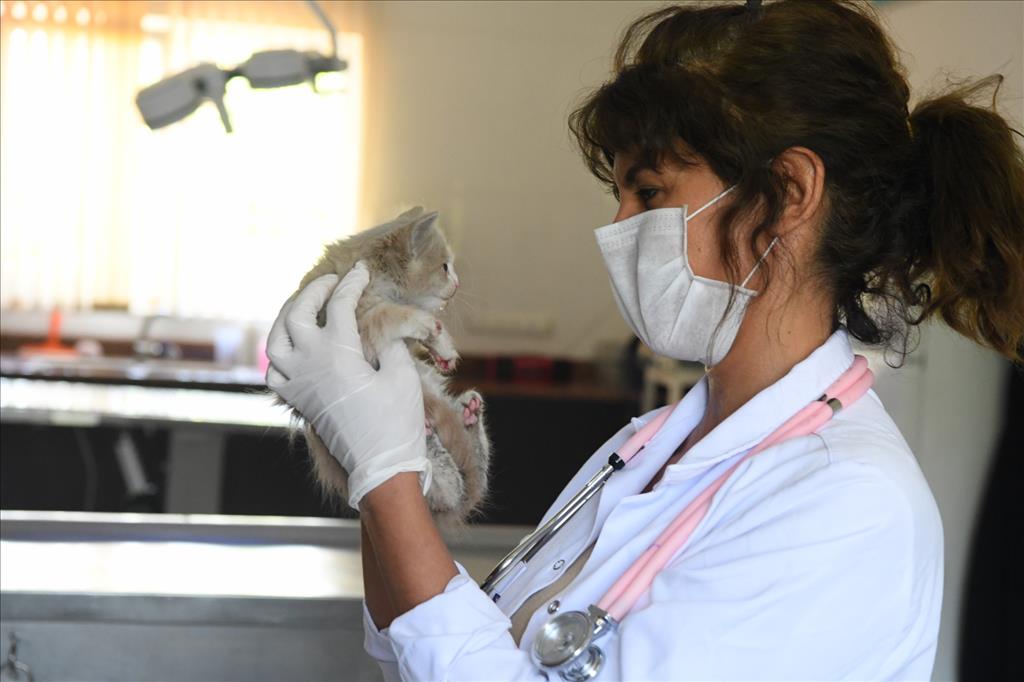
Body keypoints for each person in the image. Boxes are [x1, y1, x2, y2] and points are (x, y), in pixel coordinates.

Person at [265, 0, 1024, 679]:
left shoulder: (848, 503)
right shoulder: (646, 448)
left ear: (789, 193)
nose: (621, 226)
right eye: (620, 193)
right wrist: (386, 443)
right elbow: (419, 648)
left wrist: (386, 476)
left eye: (650, 192)